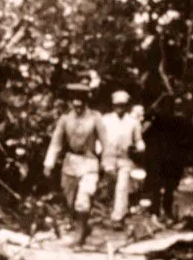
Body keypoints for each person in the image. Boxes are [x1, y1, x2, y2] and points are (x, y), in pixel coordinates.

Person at [43, 83, 108, 248]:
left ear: (86, 101)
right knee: (70, 202)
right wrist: (49, 163)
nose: (77, 105)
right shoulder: (65, 119)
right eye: (74, 101)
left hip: (89, 162)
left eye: (80, 101)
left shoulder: (95, 118)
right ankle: (84, 226)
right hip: (70, 163)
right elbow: (56, 142)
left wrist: (107, 163)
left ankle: (79, 236)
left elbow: (106, 143)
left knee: (83, 200)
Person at [143, 98, 193, 221]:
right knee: (165, 187)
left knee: (163, 186)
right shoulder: (175, 121)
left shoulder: (158, 121)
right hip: (166, 159)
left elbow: (189, 141)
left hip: (167, 159)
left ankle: (159, 211)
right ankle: (160, 211)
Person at [101, 90, 145, 225]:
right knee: (110, 183)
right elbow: (99, 136)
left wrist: (140, 146)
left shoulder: (133, 122)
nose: (119, 108)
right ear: (113, 106)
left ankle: (118, 217)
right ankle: (111, 208)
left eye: (123, 105)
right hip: (109, 157)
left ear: (127, 106)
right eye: (117, 105)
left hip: (125, 158)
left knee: (122, 185)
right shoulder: (106, 119)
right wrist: (98, 147)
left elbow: (138, 139)